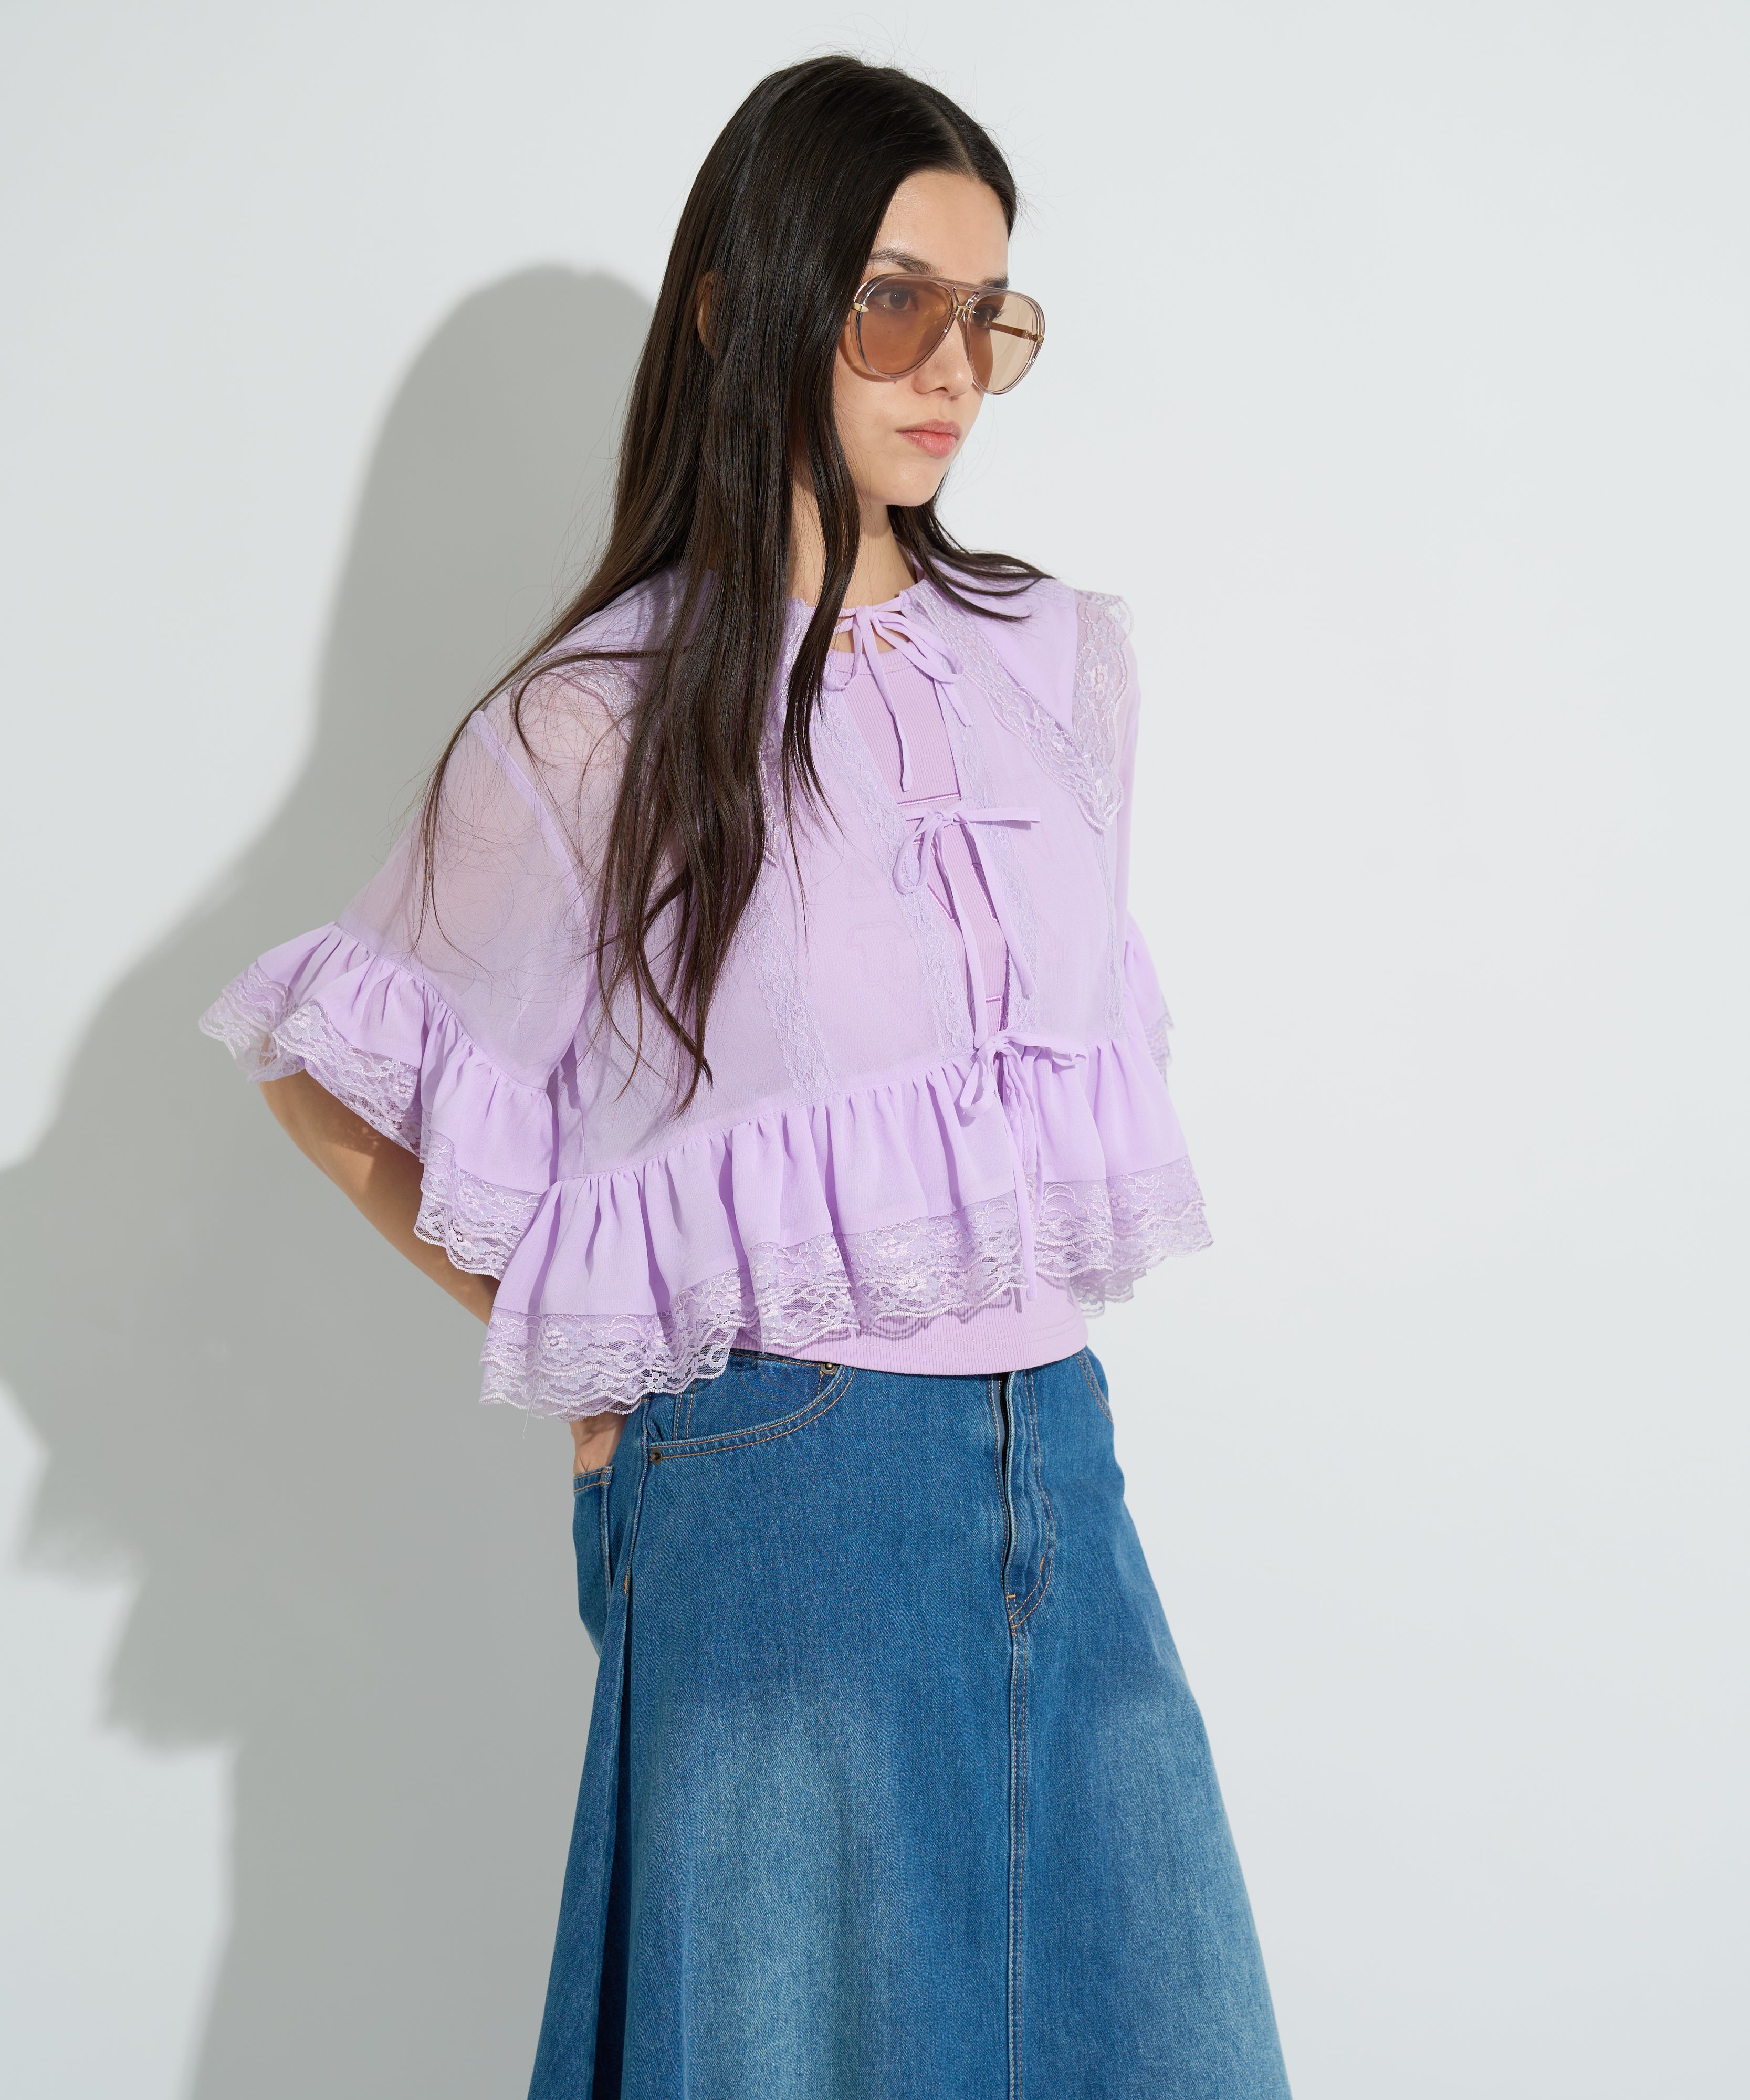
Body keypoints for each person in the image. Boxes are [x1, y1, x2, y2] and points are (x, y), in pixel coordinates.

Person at [201, 52, 1292, 2100]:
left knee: (1167, 2042)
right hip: (779, 1479)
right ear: (742, 305)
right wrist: (591, 1365)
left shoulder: (1055, 662)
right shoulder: (595, 721)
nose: (950, 363)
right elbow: (331, 1079)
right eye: (892, 300)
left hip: (1059, 1464)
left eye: (989, 313)